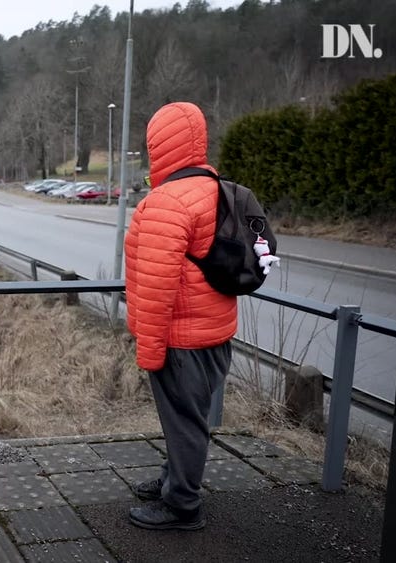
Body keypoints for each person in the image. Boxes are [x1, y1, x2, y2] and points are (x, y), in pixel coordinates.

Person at [123, 101, 235, 531]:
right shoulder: (216, 188)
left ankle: (182, 506)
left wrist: (149, 350)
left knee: (185, 422)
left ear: (157, 144)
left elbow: (156, 286)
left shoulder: (166, 202)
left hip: (182, 340)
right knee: (189, 417)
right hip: (216, 333)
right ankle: (173, 481)